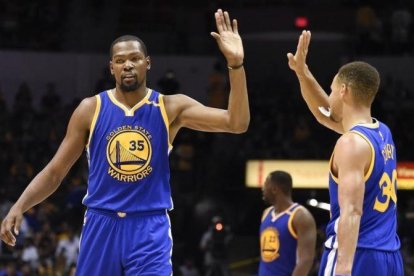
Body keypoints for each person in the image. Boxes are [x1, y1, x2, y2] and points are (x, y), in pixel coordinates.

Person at [0, 9, 249, 275]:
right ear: (111, 67)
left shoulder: (170, 107)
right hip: (101, 222)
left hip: (149, 227)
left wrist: (236, 65)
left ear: (148, 63)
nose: (127, 65)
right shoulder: (90, 109)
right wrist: (20, 205)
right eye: (120, 60)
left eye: (134, 58)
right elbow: (55, 171)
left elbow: (237, 123)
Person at [287, 30, 403, 275]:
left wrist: (343, 268)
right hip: (389, 256)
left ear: (344, 91)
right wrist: (302, 72)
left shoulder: (350, 144)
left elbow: (352, 211)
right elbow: (322, 113)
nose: (329, 95)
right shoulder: (382, 132)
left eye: (331, 89)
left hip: (355, 254)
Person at [259, 170, 316, 276]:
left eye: (265, 185)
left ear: (274, 189)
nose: (263, 189)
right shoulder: (266, 213)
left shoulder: (300, 216)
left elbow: (306, 260)